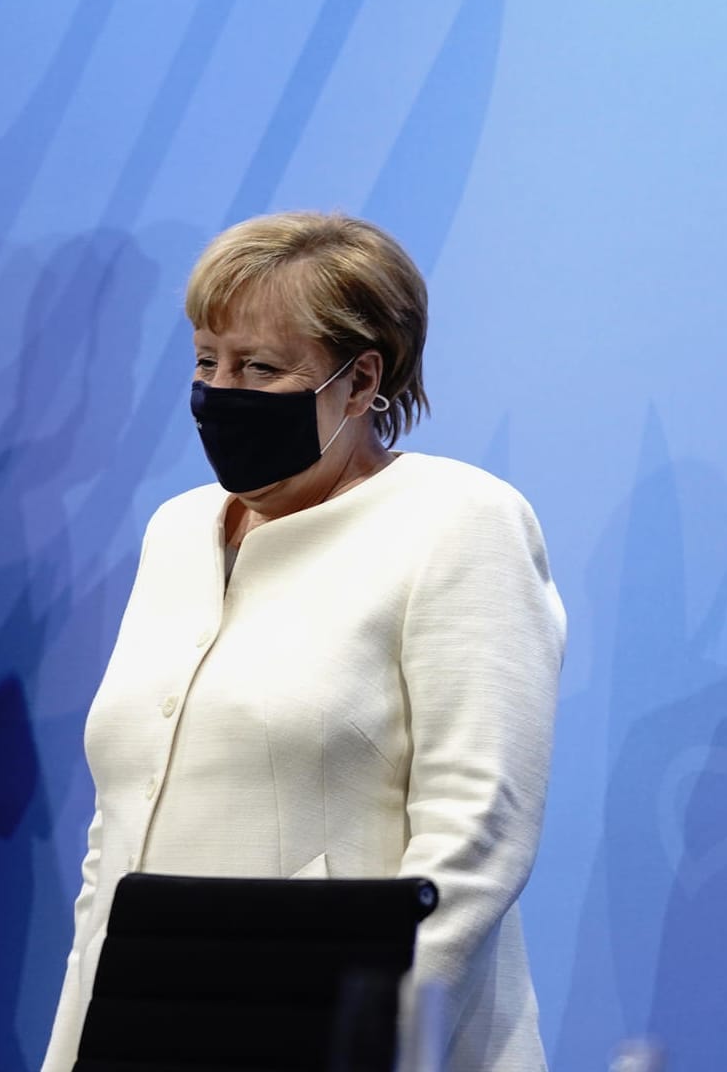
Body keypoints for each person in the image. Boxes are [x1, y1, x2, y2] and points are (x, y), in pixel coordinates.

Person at [42, 212, 565, 1070]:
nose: (221, 388)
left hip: (348, 1046)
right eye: (207, 360)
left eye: (259, 366)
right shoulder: (178, 532)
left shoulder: (460, 523)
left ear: (362, 382)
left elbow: (476, 837)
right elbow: (119, 839)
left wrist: (350, 1040)